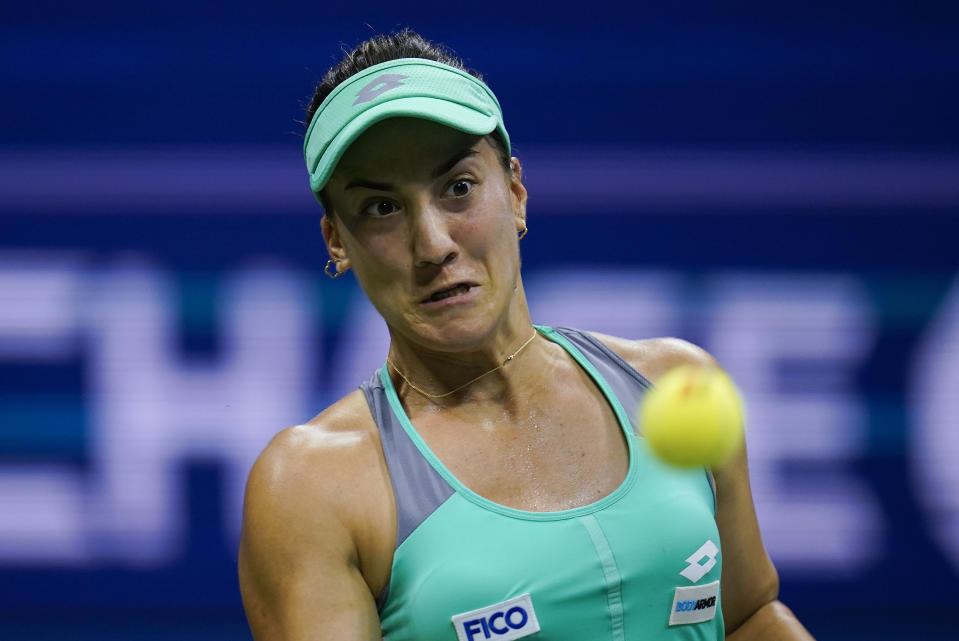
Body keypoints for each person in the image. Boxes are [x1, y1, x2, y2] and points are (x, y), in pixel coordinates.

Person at [238, 29, 816, 641]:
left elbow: (750, 617)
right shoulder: (312, 487)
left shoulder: (675, 383)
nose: (433, 245)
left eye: (458, 188)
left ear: (515, 191)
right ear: (337, 243)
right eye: (382, 209)